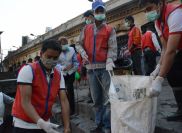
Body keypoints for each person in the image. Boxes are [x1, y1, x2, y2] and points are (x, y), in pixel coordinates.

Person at [145, 0, 182, 132]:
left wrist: (159, 79)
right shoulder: (158, 22)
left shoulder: (176, 13)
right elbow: (165, 48)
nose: (148, 13)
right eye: (145, 11)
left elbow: (171, 50)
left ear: (160, 4)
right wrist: (158, 68)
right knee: (173, 70)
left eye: (149, 8)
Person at [76, 0, 117, 132]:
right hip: (91, 69)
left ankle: (106, 126)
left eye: (101, 11)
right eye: (97, 11)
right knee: (96, 99)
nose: (99, 13)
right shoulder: (86, 29)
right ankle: (98, 124)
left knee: (107, 99)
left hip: (105, 68)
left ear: (105, 12)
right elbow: (78, 44)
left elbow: (112, 47)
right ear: (93, 13)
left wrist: (110, 61)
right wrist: (83, 54)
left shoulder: (110, 29)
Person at [12, 39, 70, 133]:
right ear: (41, 53)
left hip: (45, 123)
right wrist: (41, 123)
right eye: (49, 56)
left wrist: (67, 127)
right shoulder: (28, 70)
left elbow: (64, 100)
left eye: (55, 58)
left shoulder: (58, 75)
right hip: (25, 124)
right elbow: (25, 102)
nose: (51, 60)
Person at [57, 36, 79, 115]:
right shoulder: (57, 52)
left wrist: (72, 68)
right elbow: (55, 64)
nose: (65, 45)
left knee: (70, 90)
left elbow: (76, 63)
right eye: (63, 44)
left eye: (65, 43)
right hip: (61, 74)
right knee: (62, 92)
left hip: (71, 73)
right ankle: (64, 108)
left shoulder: (72, 50)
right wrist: (63, 68)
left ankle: (72, 110)